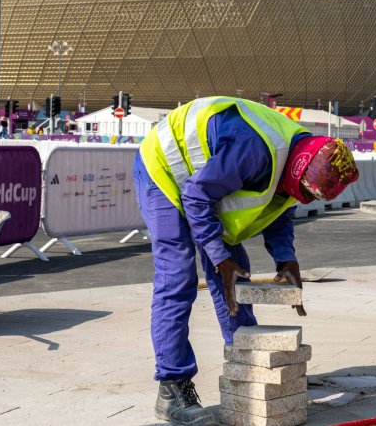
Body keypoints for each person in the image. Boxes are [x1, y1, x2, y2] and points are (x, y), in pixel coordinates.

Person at [133, 97, 358, 426]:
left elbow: (279, 204)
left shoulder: (300, 153)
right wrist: (218, 255)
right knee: (177, 275)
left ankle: (247, 365)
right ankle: (172, 388)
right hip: (163, 170)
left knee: (234, 275)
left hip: (207, 181)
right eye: (302, 192)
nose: (300, 198)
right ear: (297, 169)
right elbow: (196, 196)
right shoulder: (253, 148)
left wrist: (285, 258)